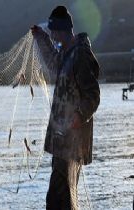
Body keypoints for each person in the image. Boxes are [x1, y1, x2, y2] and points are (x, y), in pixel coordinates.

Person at [31, 6, 100, 210]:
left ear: (61, 30)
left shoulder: (80, 55)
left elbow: (93, 95)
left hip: (73, 141)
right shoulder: (66, 53)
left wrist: (80, 115)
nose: (51, 35)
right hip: (62, 140)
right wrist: (42, 38)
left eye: (52, 32)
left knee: (58, 199)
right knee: (60, 199)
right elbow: (53, 64)